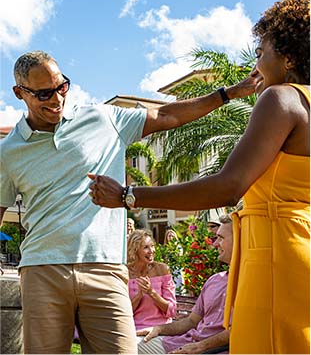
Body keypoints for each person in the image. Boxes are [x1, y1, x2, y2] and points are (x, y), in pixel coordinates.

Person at [89, 0, 310, 354]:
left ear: (287, 57)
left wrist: (128, 195)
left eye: (261, 52)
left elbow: (228, 186)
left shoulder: (281, 99)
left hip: (273, 256)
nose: (256, 62)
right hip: (296, 249)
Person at [0, 50, 256, 354]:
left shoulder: (101, 118)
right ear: (20, 93)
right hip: (43, 269)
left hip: (105, 267)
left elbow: (166, 115)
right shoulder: (9, 151)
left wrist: (227, 94)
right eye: (44, 93)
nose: (56, 99)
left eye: (61, 86)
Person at [136, 215, 233, 354]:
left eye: (221, 238)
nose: (215, 243)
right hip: (182, 343)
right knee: (125, 346)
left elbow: (240, 330)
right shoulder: (214, 280)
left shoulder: (252, 283)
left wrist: (201, 347)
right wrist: (158, 329)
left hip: (208, 350)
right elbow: (191, 322)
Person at [127, 229, 176, 331]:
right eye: (146, 247)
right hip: (134, 329)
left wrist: (151, 292)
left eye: (152, 246)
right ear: (134, 250)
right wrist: (139, 296)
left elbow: (171, 310)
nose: (152, 251)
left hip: (161, 329)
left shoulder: (162, 270)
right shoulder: (125, 273)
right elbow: (124, 314)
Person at [163, 229, 184, 293]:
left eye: (172, 236)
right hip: (168, 269)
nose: (171, 238)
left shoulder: (178, 247)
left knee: (178, 286)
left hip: (177, 269)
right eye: (169, 236)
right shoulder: (165, 248)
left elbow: (178, 257)